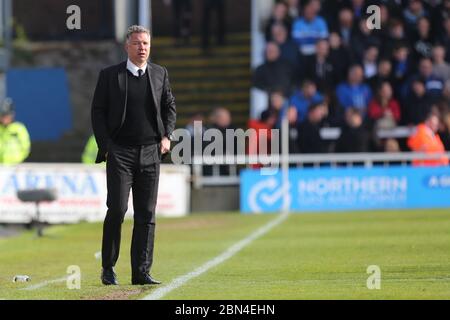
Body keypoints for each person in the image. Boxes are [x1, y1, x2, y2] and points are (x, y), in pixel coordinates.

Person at [91, 25, 177, 286]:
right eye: (137, 43)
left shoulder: (160, 73)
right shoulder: (109, 75)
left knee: (146, 214)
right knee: (117, 209)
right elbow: (98, 112)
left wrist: (167, 136)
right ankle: (108, 268)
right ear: (126, 47)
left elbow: (169, 106)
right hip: (121, 153)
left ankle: (141, 271)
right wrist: (106, 145)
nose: (142, 48)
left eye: (146, 44)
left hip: (151, 151)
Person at [0, 98, 31, 165]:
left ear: (12, 115)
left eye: (7, 115)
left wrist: (17, 160)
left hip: (16, 167)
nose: (4, 118)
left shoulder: (19, 128)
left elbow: (26, 147)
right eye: (2, 115)